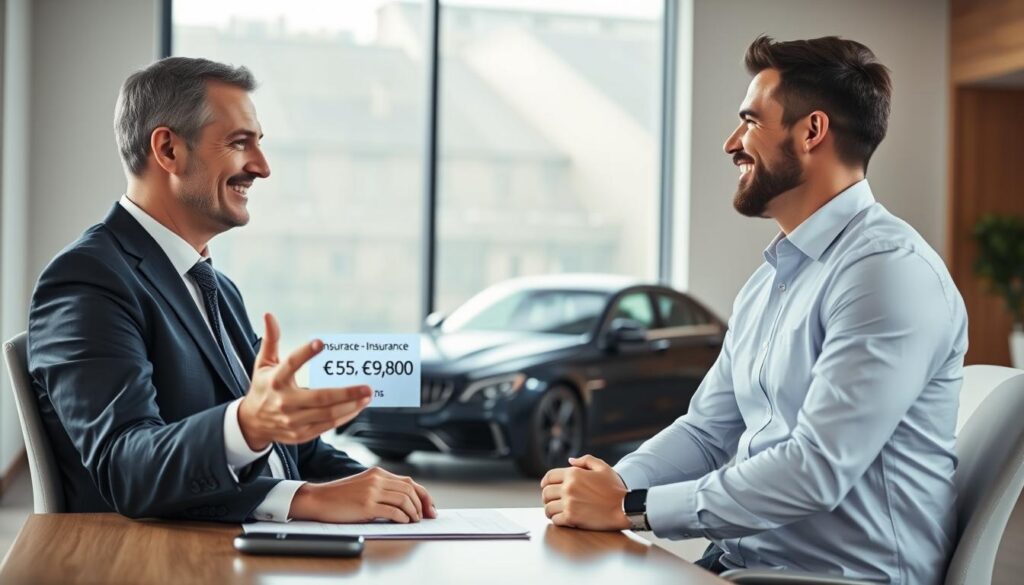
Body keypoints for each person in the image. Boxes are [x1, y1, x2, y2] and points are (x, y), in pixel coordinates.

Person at [540, 35, 967, 585]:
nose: (731, 143)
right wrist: (609, 488)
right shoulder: (772, 278)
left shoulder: (887, 274)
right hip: (745, 565)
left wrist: (630, 509)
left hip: (837, 578)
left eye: (750, 122)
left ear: (811, 131)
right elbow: (708, 430)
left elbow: (816, 469)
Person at [28, 57, 435, 525]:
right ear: (168, 150)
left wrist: (384, 488)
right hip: (155, 559)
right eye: (240, 144)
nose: (261, 167)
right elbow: (128, 467)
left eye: (259, 144)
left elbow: (289, 451)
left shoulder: (216, 286)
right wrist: (262, 443)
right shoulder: (87, 280)